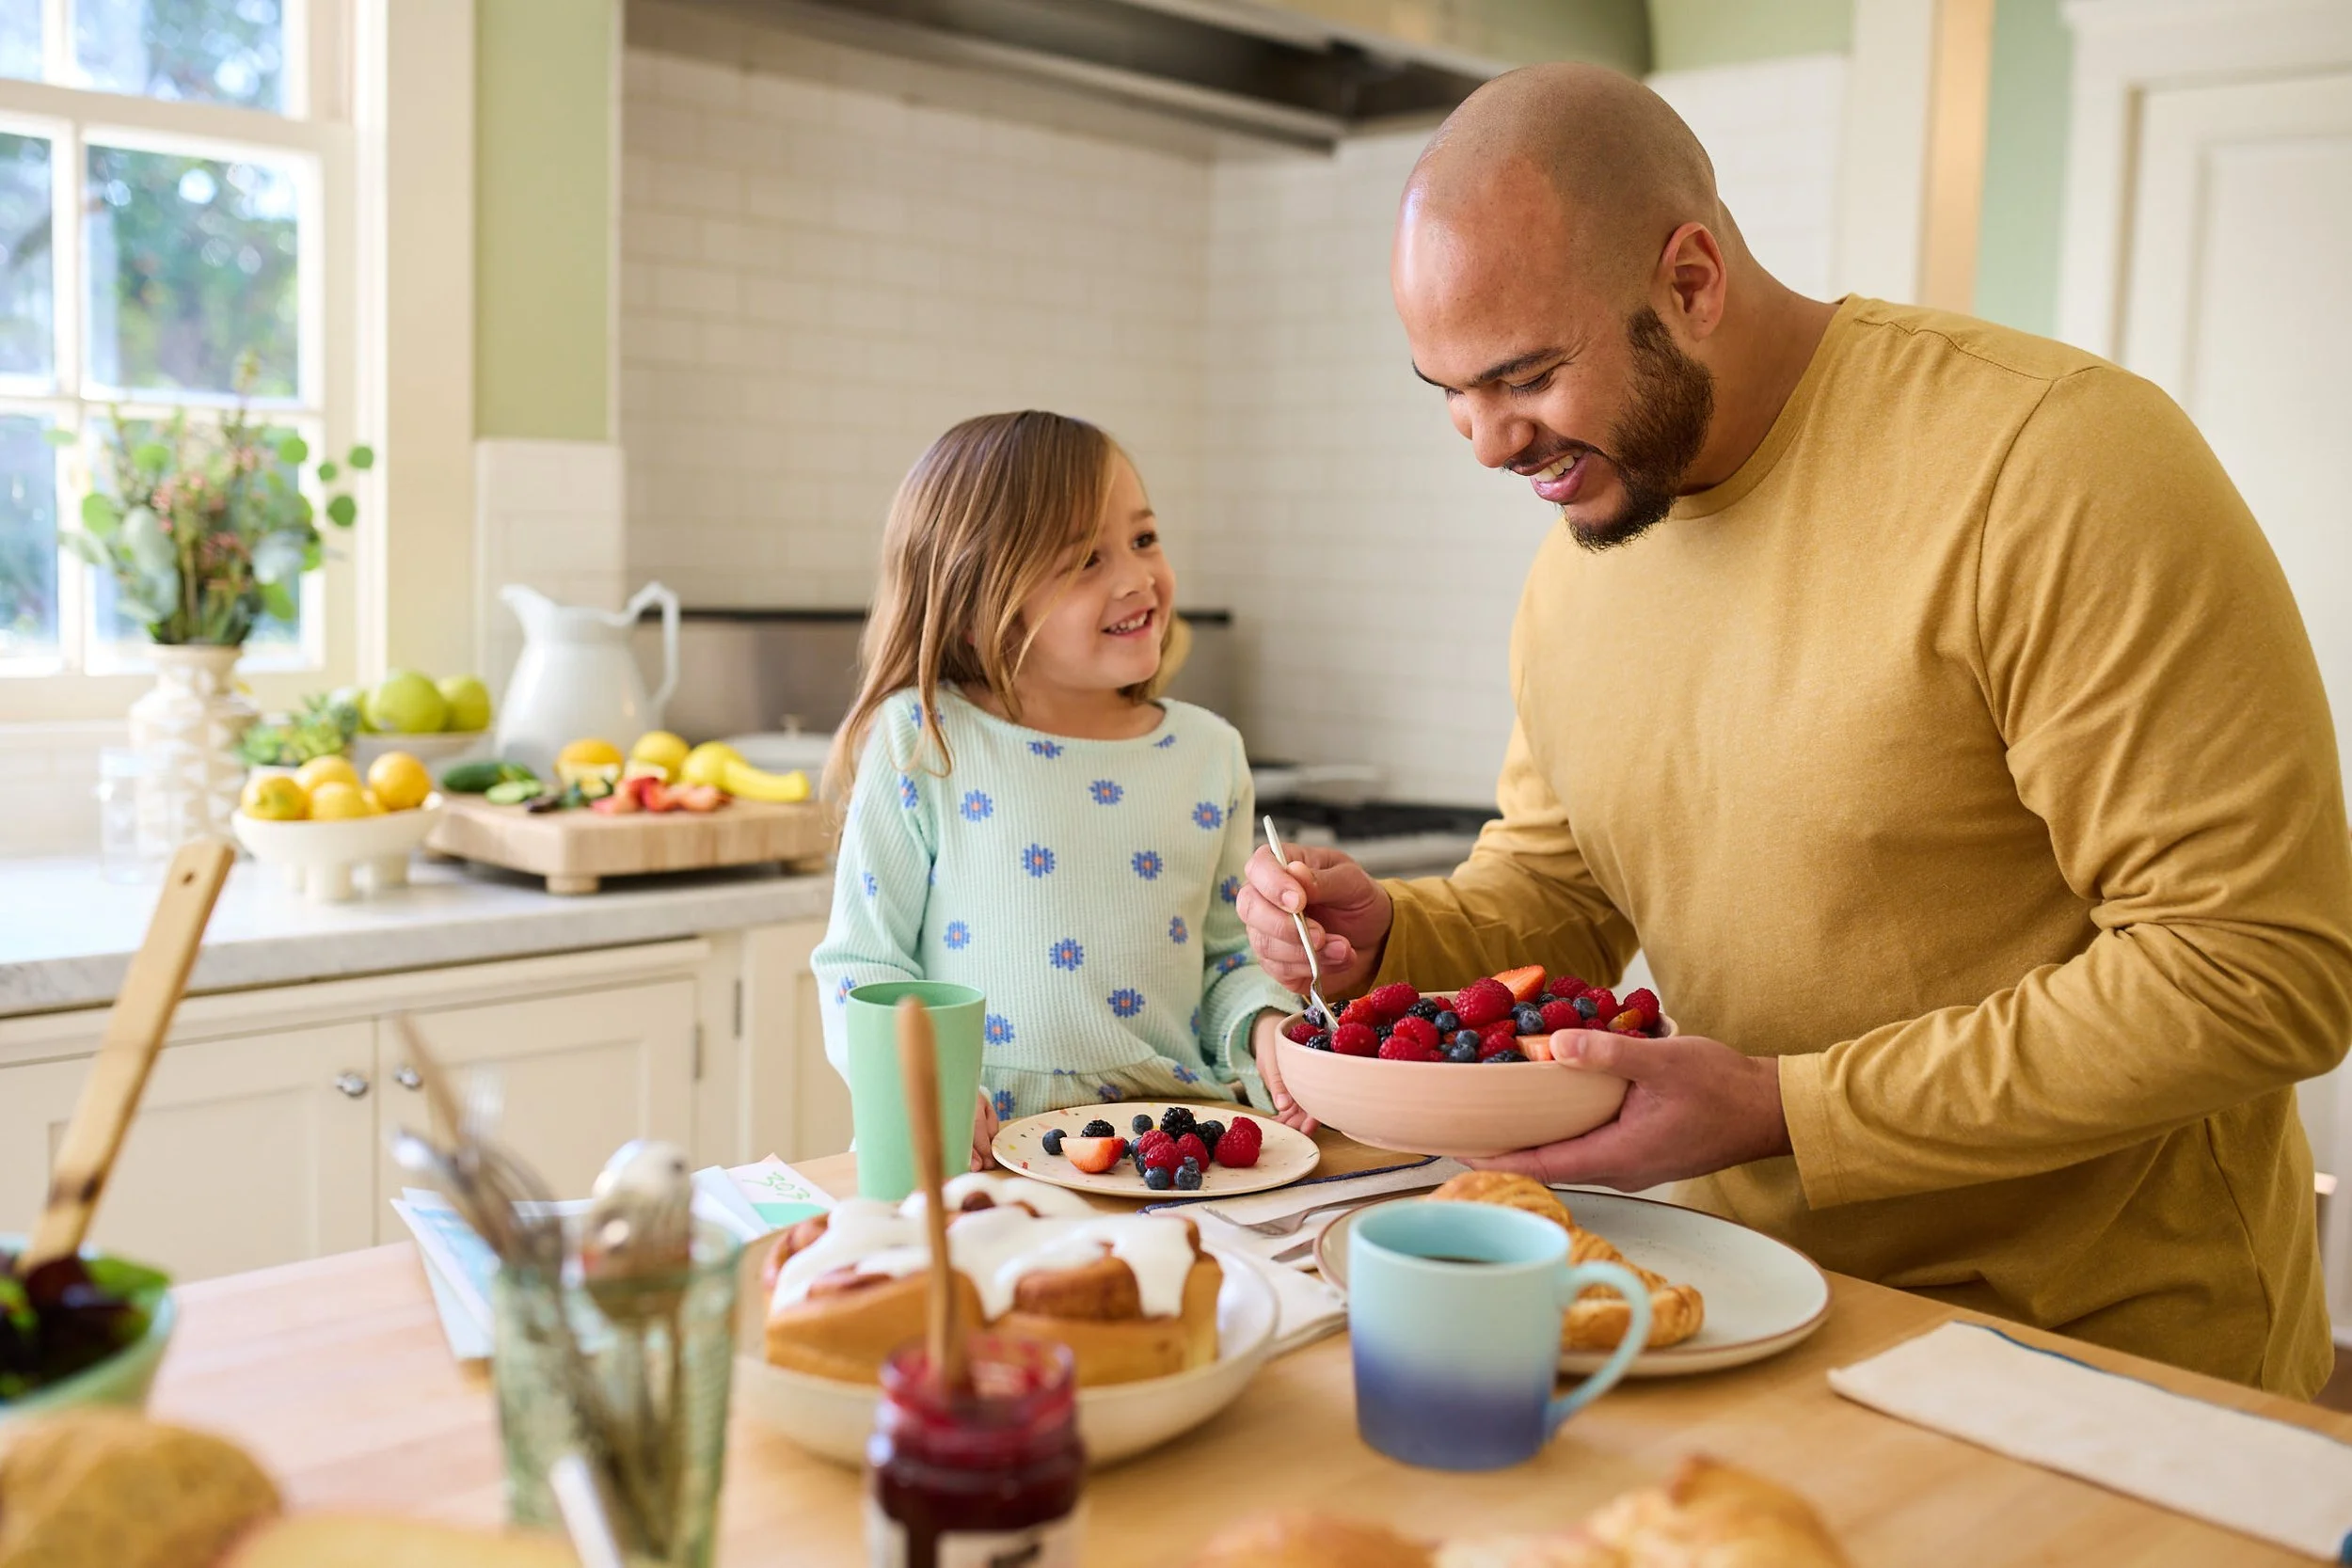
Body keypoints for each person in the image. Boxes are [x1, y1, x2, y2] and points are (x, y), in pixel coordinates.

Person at [1238, 63, 2352, 1395]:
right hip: (1742, 1314)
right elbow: (1563, 887)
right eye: (1448, 390)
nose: (1485, 442)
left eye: (1526, 373)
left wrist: (1783, 1106)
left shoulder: (2055, 463)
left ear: (1693, 279)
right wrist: (1392, 940)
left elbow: (2258, 966)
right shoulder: (1588, 543)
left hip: (2111, 1360)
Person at [815, 410, 1303, 1171]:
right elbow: (862, 965)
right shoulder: (923, 738)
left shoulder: (1209, 753)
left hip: (1168, 1150)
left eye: (1143, 539)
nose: (1138, 578)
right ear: (980, 607)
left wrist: (1269, 1028)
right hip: (974, 1157)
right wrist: (927, 1082)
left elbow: (1227, 959)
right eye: (1085, 560)